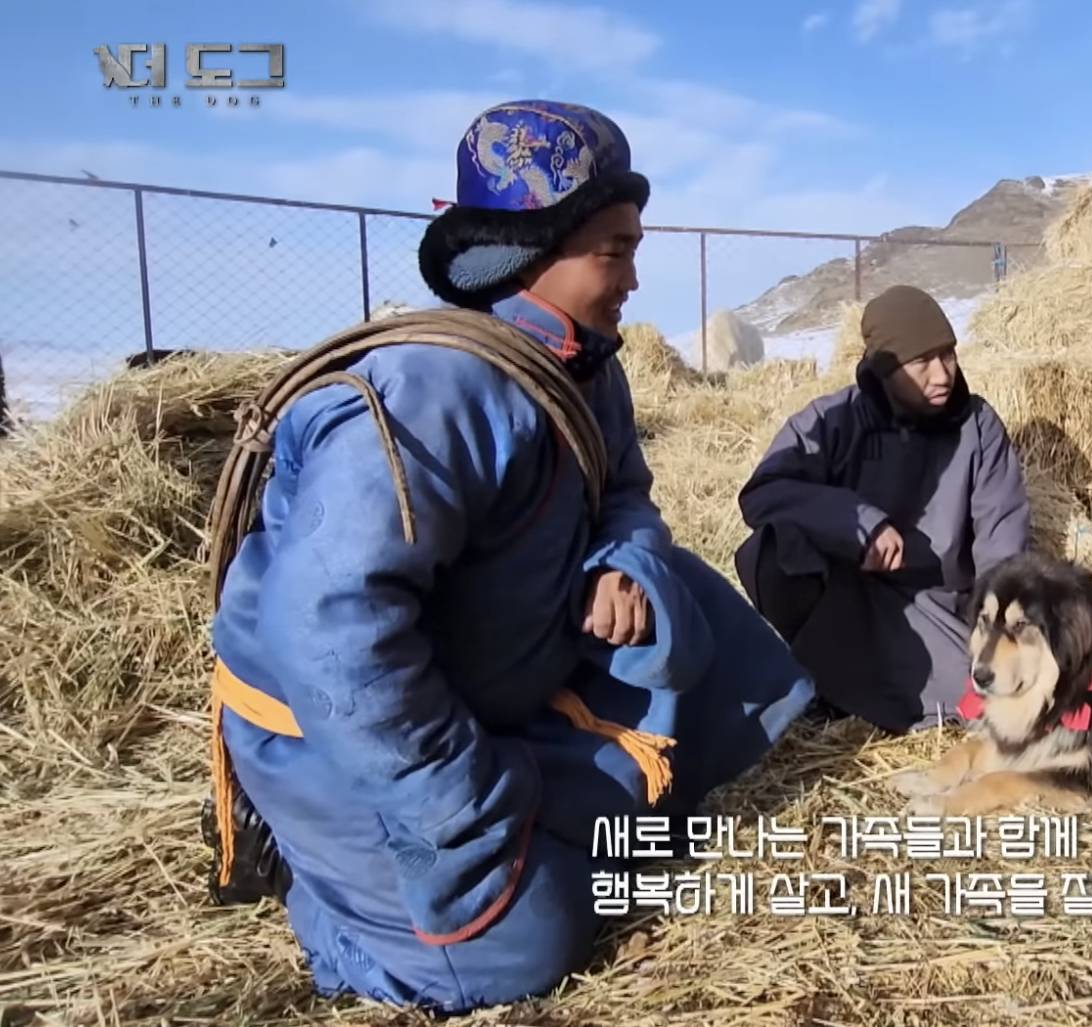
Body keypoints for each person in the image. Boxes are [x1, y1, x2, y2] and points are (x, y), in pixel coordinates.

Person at [202, 100, 814, 1013]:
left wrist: (622, 561)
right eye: (614, 248)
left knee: (684, 596)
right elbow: (333, 635)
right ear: (533, 247)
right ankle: (326, 898)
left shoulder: (587, 367)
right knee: (522, 948)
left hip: (478, 675)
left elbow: (625, 494)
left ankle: (553, 800)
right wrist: (462, 807)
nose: (635, 277)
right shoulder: (428, 393)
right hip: (340, 727)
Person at [734, 285, 1031, 733]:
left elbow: (1002, 539)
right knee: (772, 550)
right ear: (884, 369)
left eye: (948, 354)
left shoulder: (978, 426)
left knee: (996, 701)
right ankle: (828, 675)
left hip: (938, 609)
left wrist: (997, 627)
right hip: (848, 600)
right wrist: (856, 524)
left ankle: (840, 687)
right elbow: (764, 491)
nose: (942, 374)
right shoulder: (832, 421)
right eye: (921, 362)